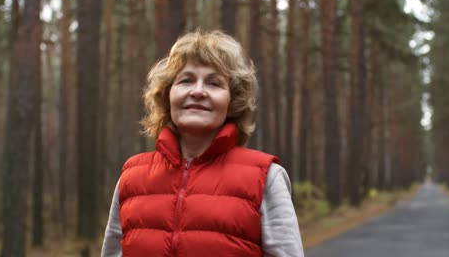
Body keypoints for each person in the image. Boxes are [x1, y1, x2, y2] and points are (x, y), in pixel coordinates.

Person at [101, 30, 304, 257]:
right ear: (167, 95)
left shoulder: (266, 177)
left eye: (214, 83)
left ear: (233, 101)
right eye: (186, 80)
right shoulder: (131, 177)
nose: (198, 91)